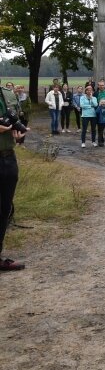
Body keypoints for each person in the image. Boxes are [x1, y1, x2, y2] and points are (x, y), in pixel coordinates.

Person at [0, 82, 27, 271]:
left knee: (4, 209)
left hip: (8, 157)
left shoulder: (7, 94)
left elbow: (14, 118)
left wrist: (17, 132)